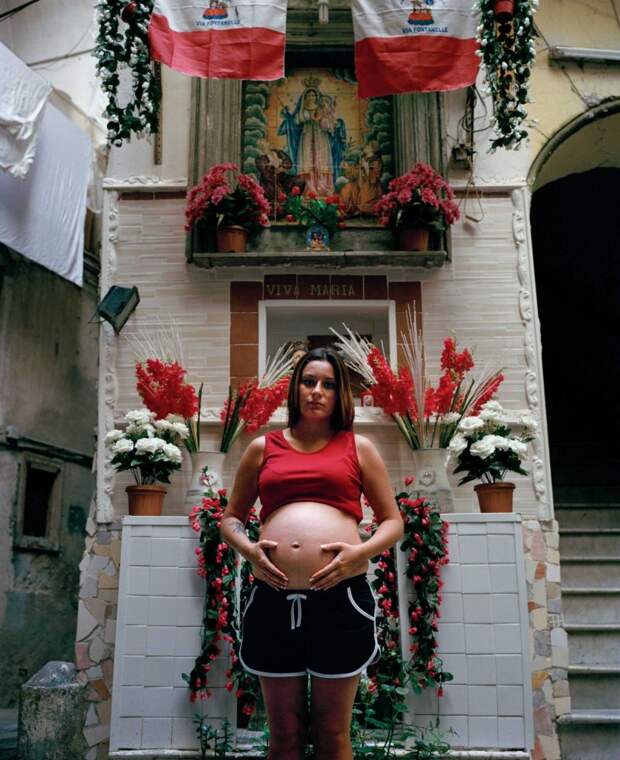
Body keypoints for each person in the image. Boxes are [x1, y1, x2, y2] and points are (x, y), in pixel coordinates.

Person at [220, 347, 404, 760]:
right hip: (273, 600)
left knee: (332, 733)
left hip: (341, 598)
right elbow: (230, 519)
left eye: (328, 384)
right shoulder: (262, 448)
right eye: (308, 381)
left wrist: (359, 552)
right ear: (296, 389)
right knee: (284, 735)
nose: (317, 391)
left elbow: (393, 522)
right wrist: (250, 550)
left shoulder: (359, 447)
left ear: (340, 395)